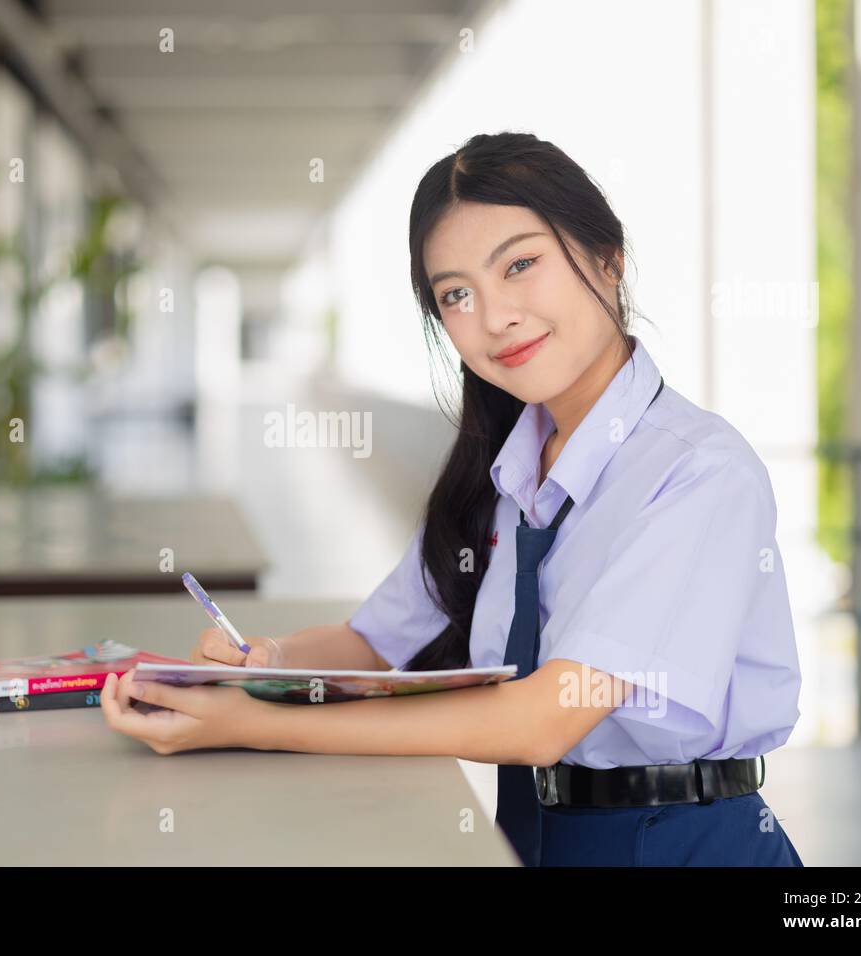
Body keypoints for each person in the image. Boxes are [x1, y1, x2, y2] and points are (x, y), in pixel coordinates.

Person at [101, 131, 804, 867]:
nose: (494, 316)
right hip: (529, 835)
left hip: (677, 846)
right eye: (457, 295)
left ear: (608, 259)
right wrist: (260, 666)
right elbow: (376, 642)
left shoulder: (697, 475)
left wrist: (248, 725)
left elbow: (545, 720)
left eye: (521, 265)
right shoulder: (507, 472)